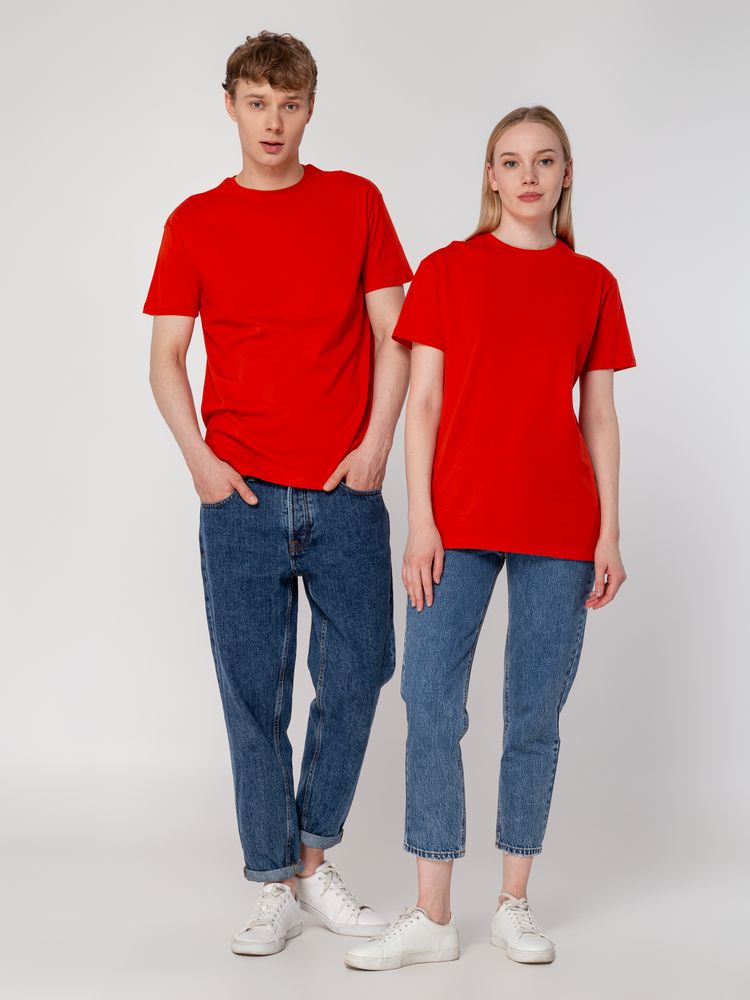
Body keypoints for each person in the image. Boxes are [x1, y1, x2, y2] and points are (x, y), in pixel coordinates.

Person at [344, 105, 637, 971]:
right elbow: (423, 403)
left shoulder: (592, 284)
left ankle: (513, 902)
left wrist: (610, 531)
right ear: (491, 176)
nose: (528, 176)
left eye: (544, 161)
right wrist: (421, 520)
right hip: (459, 519)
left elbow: (600, 416)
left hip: (560, 523)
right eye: (511, 161)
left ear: (566, 174)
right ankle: (433, 914)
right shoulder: (447, 271)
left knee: (533, 715)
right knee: (430, 702)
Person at [142, 31, 413, 957]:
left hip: (343, 490)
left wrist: (377, 444)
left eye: (289, 105)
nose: (273, 122)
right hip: (241, 498)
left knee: (363, 669)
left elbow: (395, 334)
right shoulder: (195, 221)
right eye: (257, 103)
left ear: (310, 108)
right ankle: (275, 883)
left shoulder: (356, 202)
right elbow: (166, 356)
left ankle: (309, 856)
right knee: (252, 696)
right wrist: (199, 461)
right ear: (230, 105)